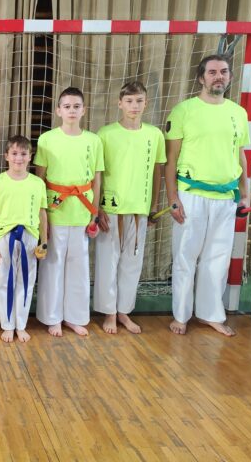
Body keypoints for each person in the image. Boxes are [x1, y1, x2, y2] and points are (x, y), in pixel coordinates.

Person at [165, 54, 250, 336]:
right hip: (191, 195)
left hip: (226, 196)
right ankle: (181, 315)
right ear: (201, 78)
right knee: (185, 256)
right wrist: (172, 198)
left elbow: (240, 155)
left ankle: (211, 314)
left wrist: (245, 193)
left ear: (230, 77)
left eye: (223, 71)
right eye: (212, 72)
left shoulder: (238, 113)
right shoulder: (183, 111)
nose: (218, 76)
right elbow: (171, 159)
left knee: (218, 258)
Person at [94, 81, 166, 335]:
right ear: (119, 103)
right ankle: (109, 313)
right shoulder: (105, 134)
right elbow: (96, 174)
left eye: (139, 101)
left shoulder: (155, 135)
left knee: (132, 263)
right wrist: (97, 206)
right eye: (129, 101)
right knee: (107, 263)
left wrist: (154, 205)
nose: (134, 106)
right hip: (111, 209)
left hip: (139, 209)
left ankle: (124, 311)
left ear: (146, 103)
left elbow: (157, 171)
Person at [35, 87, 103, 337]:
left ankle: (75, 317)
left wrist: (94, 213)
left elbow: (97, 179)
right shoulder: (47, 139)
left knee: (78, 267)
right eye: (67, 106)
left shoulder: (93, 141)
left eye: (76, 106)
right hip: (55, 210)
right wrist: (42, 215)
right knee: (53, 265)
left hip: (82, 210)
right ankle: (52, 317)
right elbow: (39, 179)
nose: (72, 111)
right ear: (58, 111)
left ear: (84, 110)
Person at [0, 135, 48, 343]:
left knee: (26, 281)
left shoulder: (37, 183)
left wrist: (44, 241)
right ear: (6, 156)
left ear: (30, 157)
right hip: (5, 236)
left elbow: (42, 213)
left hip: (30, 236)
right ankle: (7, 325)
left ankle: (21, 325)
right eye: (14, 153)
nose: (18, 158)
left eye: (23, 154)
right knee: (5, 280)